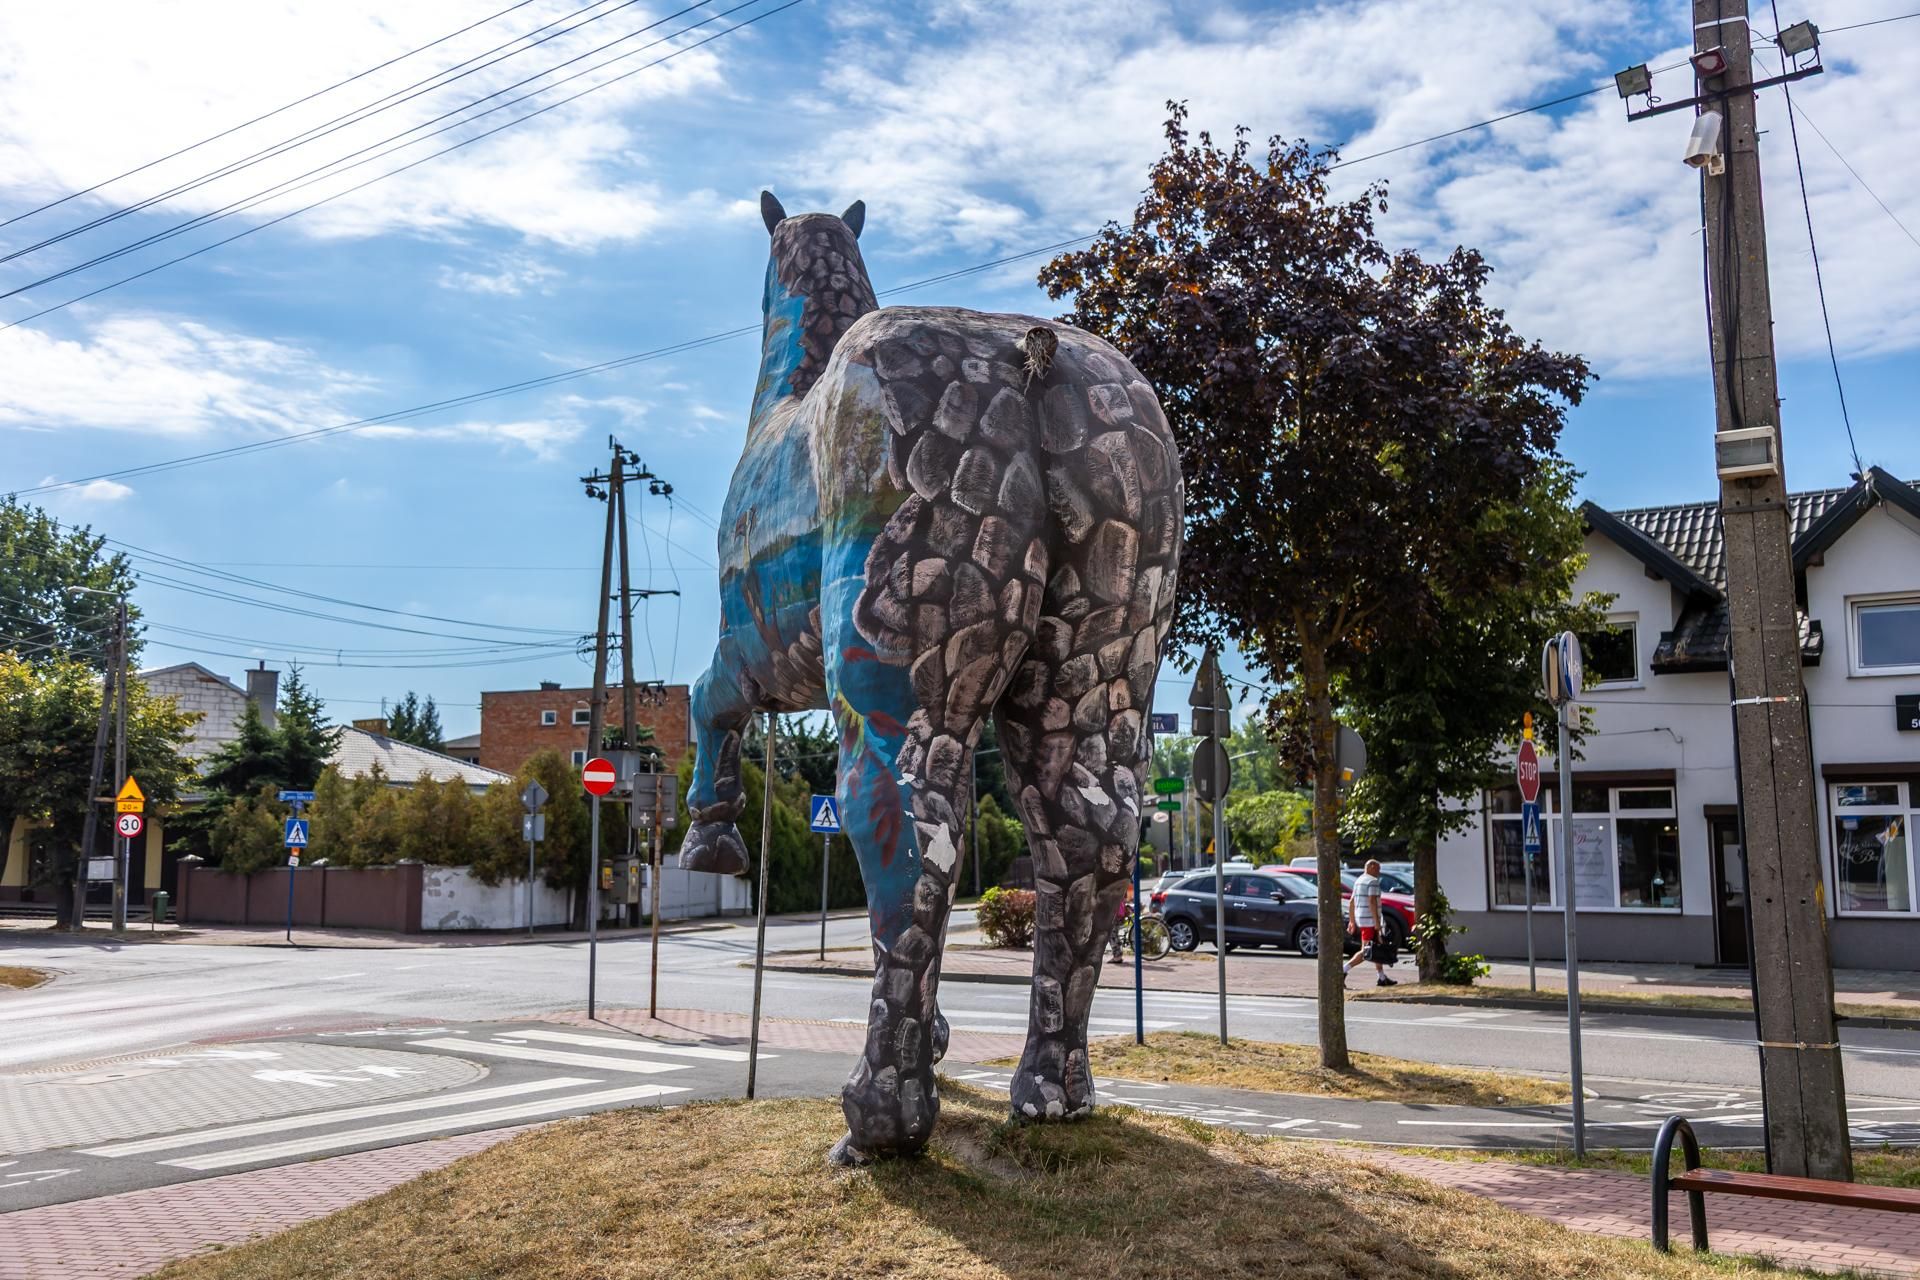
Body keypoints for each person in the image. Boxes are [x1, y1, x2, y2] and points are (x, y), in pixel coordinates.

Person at [1343, 858, 1396, 988]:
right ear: (1371, 867)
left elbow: (1351, 902)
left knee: (1377, 947)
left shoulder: (1359, 880)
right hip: (1370, 920)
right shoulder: (1373, 882)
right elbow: (1372, 901)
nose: (1379, 872)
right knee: (1366, 951)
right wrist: (1377, 923)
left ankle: (1381, 977)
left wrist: (1352, 921)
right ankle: (1342, 970)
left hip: (1361, 918)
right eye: (1378, 869)